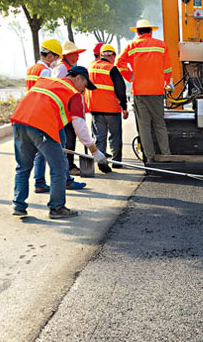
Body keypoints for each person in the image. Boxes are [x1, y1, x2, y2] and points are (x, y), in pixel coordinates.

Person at [11, 66, 109, 219]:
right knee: (59, 169)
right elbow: (80, 126)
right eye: (85, 85)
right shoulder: (73, 93)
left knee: (23, 167)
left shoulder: (46, 81)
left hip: (20, 122)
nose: (84, 90)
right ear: (78, 78)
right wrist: (94, 151)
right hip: (42, 127)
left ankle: (18, 206)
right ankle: (57, 208)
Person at [116, 19, 173, 163]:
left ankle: (150, 158)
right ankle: (166, 154)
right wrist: (166, 82)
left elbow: (119, 63)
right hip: (157, 91)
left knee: (144, 126)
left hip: (140, 91)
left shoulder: (133, 45)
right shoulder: (161, 45)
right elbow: (167, 68)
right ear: (151, 31)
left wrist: (130, 77)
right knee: (159, 124)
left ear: (137, 32)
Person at [25, 39, 61, 194]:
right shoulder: (45, 71)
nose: (57, 61)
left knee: (33, 153)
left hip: (29, 111)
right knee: (41, 151)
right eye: (57, 58)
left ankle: (38, 181)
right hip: (40, 113)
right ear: (51, 56)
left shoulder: (31, 68)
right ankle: (39, 182)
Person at [85, 44, 128, 170]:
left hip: (95, 109)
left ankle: (102, 162)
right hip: (111, 109)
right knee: (115, 136)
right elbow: (121, 89)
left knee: (99, 137)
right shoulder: (112, 69)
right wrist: (124, 107)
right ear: (113, 56)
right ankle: (116, 162)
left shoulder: (90, 67)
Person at [53, 41, 87, 182]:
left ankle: (69, 164)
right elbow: (57, 86)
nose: (78, 56)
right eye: (75, 54)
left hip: (69, 107)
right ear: (68, 55)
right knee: (69, 137)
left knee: (71, 137)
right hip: (65, 109)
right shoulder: (62, 68)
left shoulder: (70, 67)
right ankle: (69, 166)